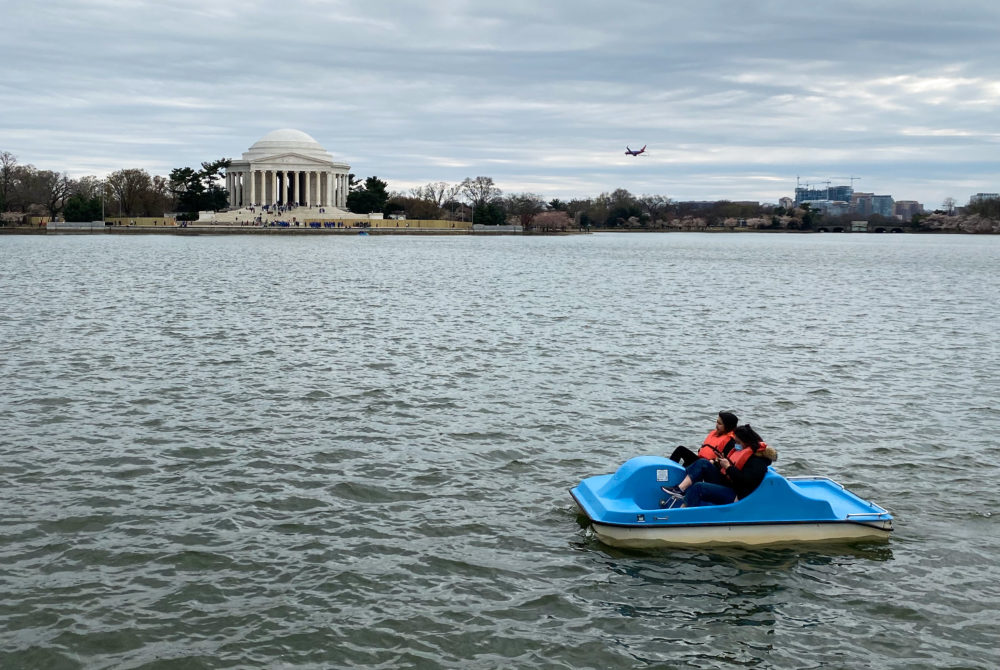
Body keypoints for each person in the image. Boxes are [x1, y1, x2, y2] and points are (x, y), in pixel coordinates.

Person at [661, 424, 778, 508]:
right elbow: (733, 470)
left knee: (698, 487)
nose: (735, 445)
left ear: (746, 442)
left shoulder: (758, 461)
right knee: (703, 463)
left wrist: (728, 467)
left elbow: (745, 481)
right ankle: (680, 489)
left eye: (737, 442)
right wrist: (721, 462)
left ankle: (682, 514)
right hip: (729, 483)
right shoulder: (743, 451)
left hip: (737, 494)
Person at [668, 411, 738, 466]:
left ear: (728, 426)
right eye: (717, 422)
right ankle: (669, 469)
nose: (716, 425)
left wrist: (714, 461)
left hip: (709, 466)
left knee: (698, 462)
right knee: (681, 449)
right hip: (700, 461)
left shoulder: (730, 442)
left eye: (719, 424)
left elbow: (725, 460)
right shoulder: (714, 434)